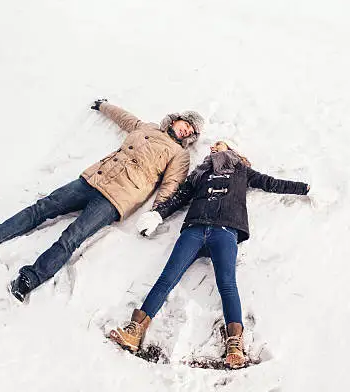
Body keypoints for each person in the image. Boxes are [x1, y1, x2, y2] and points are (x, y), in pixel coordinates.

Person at [0, 99, 205, 302]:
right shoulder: (147, 128)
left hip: (116, 198)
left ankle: (30, 279)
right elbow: (125, 118)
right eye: (186, 124)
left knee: (72, 237)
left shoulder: (179, 154)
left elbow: (171, 184)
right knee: (42, 207)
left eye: (191, 131)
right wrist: (104, 106)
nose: (187, 130)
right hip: (93, 179)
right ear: (176, 119)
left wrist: (156, 214)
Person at [109, 140, 311, 369]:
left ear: (231, 149)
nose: (214, 147)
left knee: (227, 284)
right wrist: (157, 214)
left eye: (219, 144)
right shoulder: (200, 174)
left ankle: (234, 345)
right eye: (212, 146)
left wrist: (305, 188)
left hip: (225, 230)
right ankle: (135, 331)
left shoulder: (241, 171)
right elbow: (178, 198)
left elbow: (271, 183)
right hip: (194, 230)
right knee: (167, 277)